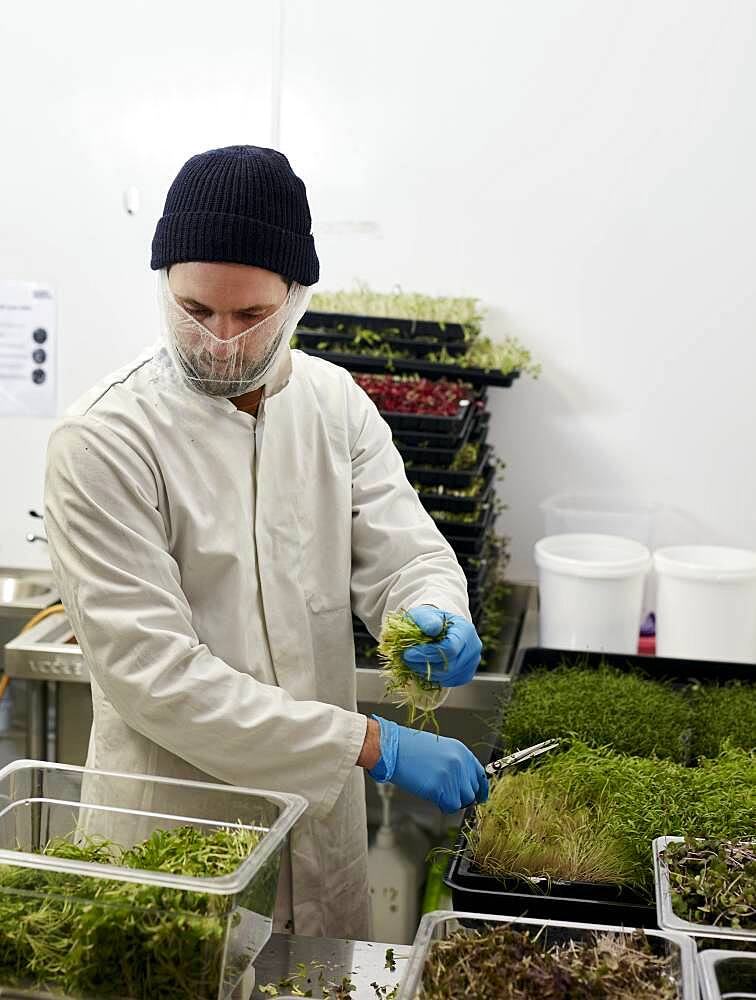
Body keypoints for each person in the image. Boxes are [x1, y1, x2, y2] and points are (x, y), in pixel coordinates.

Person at [44, 145, 488, 940]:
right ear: (163, 287)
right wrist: (371, 743)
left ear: (297, 298)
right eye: (194, 309)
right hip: (178, 839)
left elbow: (407, 553)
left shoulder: (333, 404)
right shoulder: (105, 438)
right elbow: (158, 678)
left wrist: (433, 611)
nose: (218, 340)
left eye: (250, 317)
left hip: (319, 840)